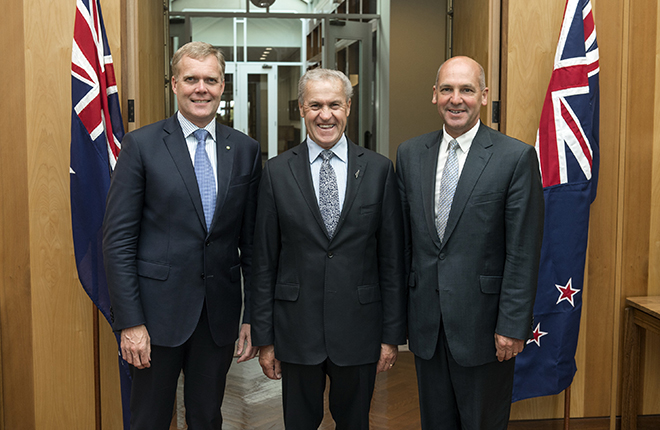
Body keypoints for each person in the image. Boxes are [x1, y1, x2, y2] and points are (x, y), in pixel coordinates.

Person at [102, 41, 261, 429]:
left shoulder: (245, 150)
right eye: (191, 79)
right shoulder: (141, 146)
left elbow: (255, 245)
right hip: (155, 319)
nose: (200, 88)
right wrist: (130, 322)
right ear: (174, 84)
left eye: (210, 80)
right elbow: (117, 241)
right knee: (149, 420)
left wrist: (253, 317)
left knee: (207, 418)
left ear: (223, 86)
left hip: (218, 317)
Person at [250, 68, 406, 430]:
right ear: (302, 108)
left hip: (359, 330)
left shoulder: (380, 170)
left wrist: (391, 337)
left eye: (334, 104)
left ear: (348, 108)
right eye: (316, 105)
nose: (326, 114)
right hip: (295, 330)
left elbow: (393, 260)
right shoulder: (275, 173)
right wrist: (265, 339)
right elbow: (263, 262)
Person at [396, 56, 544, 429]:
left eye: (466, 90)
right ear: (434, 95)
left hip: (486, 329)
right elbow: (404, 247)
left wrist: (512, 324)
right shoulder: (410, 155)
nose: (456, 99)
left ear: (483, 95)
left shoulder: (515, 157)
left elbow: (522, 252)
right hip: (428, 327)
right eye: (447, 89)